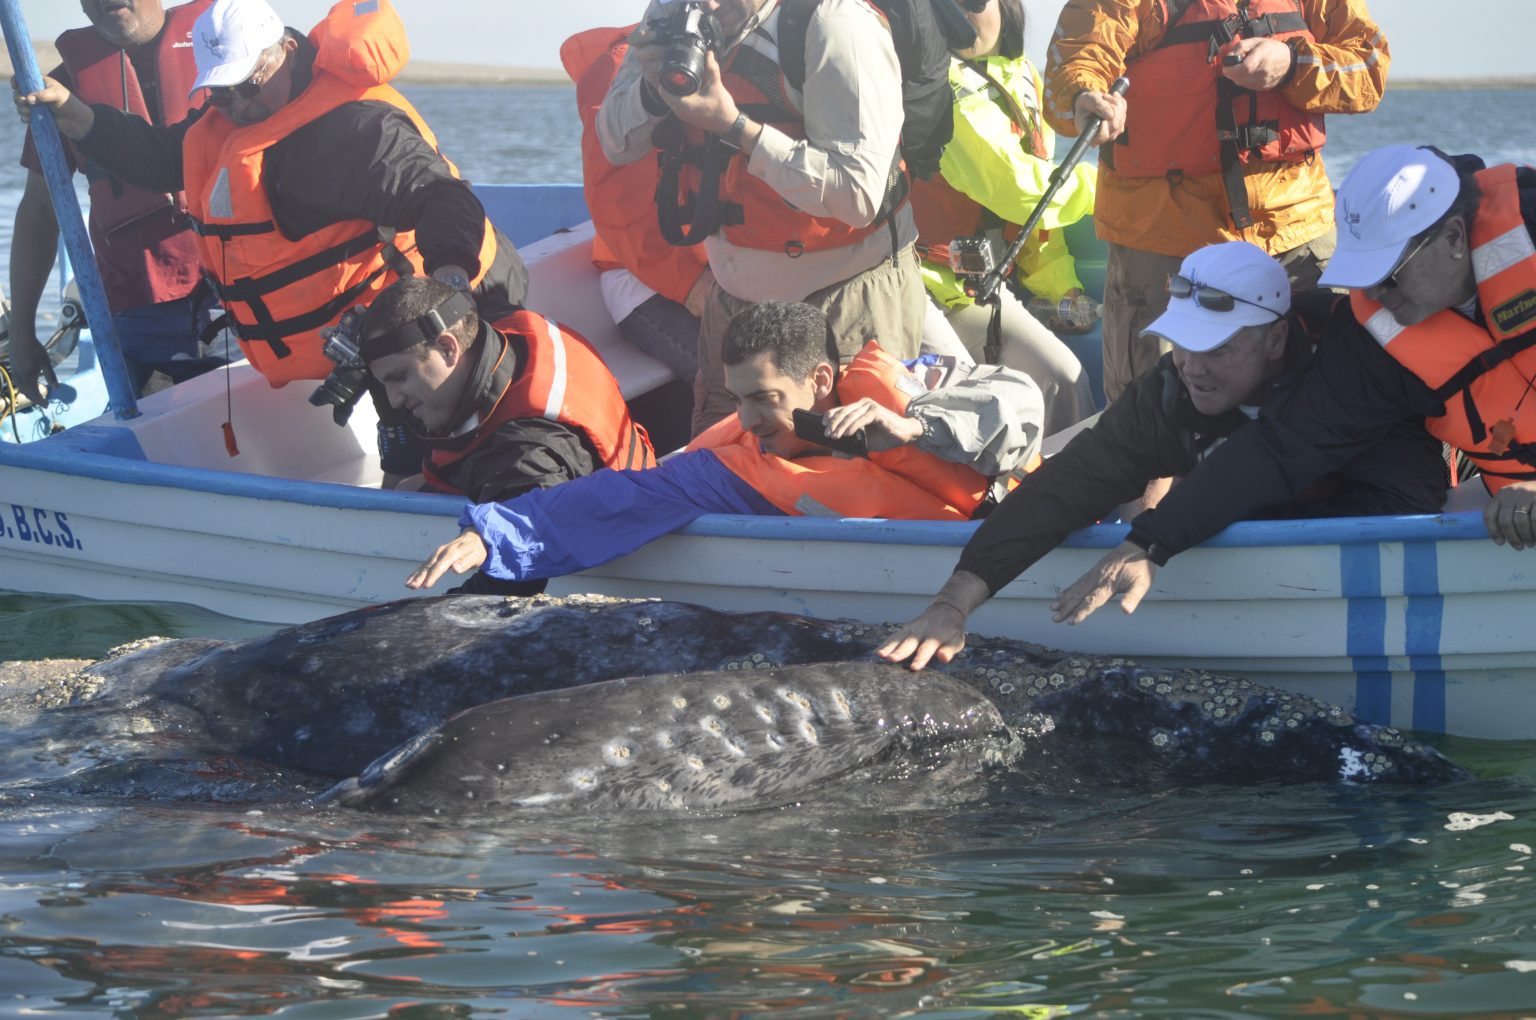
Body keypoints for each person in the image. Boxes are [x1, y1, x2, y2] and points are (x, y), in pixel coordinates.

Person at [14, 0, 528, 481]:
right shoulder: (230, 121)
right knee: (405, 457)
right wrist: (79, 117)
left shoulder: (354, 127)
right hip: (372, 332)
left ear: (283, 49)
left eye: (248, 84)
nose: (237, 106)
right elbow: (169, 155)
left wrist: (448, 295)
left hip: (458, 307)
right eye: (221, 92)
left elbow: (445, 200)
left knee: (462, 452)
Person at [879, 240, 1447, 669]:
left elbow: (1314, 465)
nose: (1193, 367)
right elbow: (1067, 485)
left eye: (1218, 349)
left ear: (1274, 340)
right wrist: (955, 603)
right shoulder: (1172, 391)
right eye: (1182, 344)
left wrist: (1155, 538)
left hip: (1386, 503)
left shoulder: (1355, 363)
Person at [1047, 145, 1536, 628]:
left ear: (1452, 237)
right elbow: (1283, 446)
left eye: (1387, 279)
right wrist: (1150, 542)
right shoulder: (1385, 332)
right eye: (1364, 281)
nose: (1376, 298)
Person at [405, 300, 1044, 591]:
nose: (749, 418)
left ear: (821, 380)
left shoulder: (916, 386)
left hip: (1041, 530)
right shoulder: (737, 465)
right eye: (738, 398)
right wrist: (498, 531)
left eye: (765, 398)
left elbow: (1023, 400)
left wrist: (917, 427)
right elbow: (621, 495)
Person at [1044, 0, 1388, 509]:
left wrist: (1292, 62)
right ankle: (1143, 544)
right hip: (1163, 240)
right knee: (1150, 421)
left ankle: (1324, 530)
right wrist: (1086, 98)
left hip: (1294, 232)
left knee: (1334, 392)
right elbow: (1076, 59)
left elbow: (1369, 68)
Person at [596, 0, 938, 438]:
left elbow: (858, 195)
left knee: (847, 462)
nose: (709, 3)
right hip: (731, 311)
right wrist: (651, 87)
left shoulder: (836, 25)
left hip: (847, 307)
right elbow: (614, 143)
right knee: (718, 464)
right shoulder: (673, 15)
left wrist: (734, 126)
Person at [359, 276, 657, 594]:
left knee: (402, 496)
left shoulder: (524, 452)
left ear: (448, 348)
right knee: (406, 487)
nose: (393, 400)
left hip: (609, 548)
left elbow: (521, 560)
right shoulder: (505, 337)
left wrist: (428, 625)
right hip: (607, 475)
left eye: (399, 377)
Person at [8, 0, 229, 401]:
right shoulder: (61, 92)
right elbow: (39, 211)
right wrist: (22, 331)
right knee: (149, 448)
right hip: (136, 318)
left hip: (235, 305)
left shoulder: (226, 60)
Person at [910, 0, 1096, 436]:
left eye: (974, 2)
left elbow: (1034, 219)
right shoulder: (935, 85)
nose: (961, 16)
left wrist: (1059, 287)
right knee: (976, 408)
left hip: (977, 289)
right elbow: (1024, 192)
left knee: (1064, 380)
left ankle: (1074, 500)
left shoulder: (1022, 77)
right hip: (920, 290)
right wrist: (1115, 190)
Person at [562, 23, 712, 442]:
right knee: (741, 385)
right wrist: (693, 285)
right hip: (648, 282)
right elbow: (618, 204)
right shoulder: (622, 70)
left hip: (723, 265)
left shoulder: (744, 46)